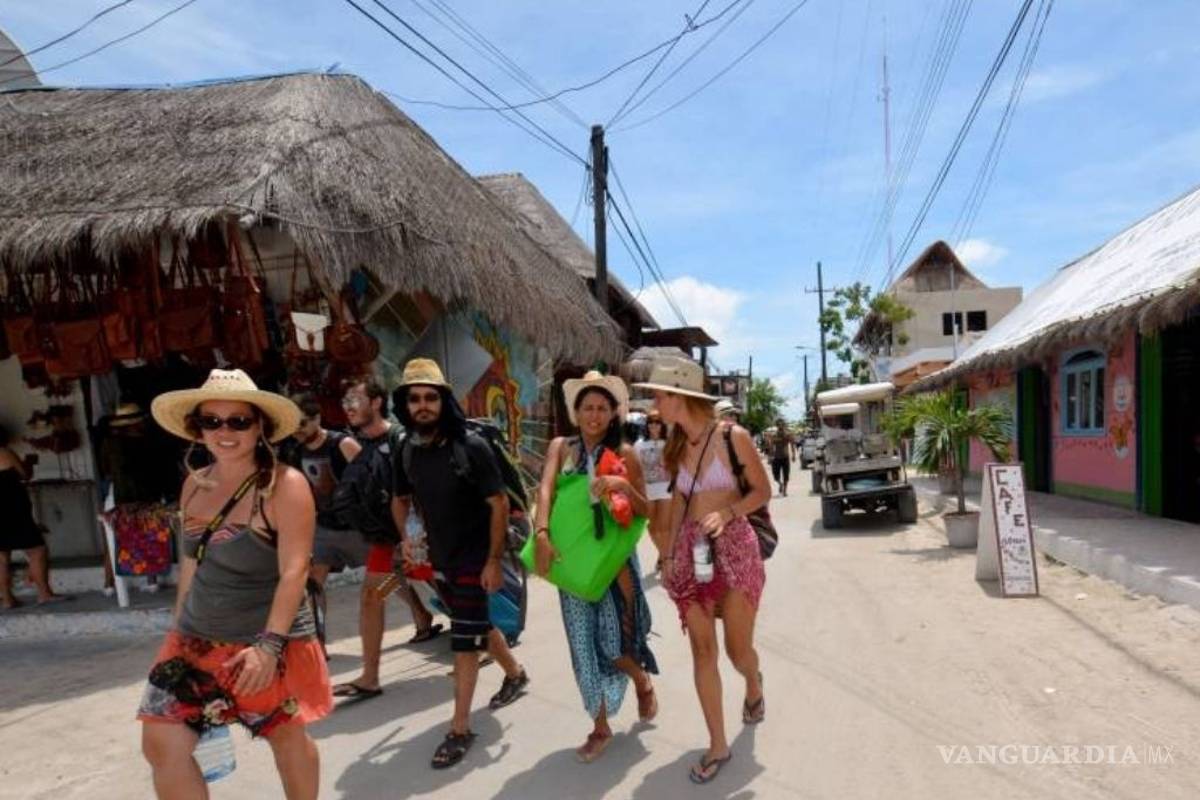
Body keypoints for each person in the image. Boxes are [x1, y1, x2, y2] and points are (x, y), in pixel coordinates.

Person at [139, 369, 331, 800]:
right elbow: (192, 563)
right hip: (195, 638)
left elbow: (295, 572)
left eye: (239, 421)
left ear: (260, 425)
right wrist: (176, 630)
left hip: (264, 640)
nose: (225, 432)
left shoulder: (285, 485)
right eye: (212, 421)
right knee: (161, 745)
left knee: (285, 737)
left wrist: (269, 647)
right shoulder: (195, 482)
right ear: (197, 428)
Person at [634, 356, 770, 785]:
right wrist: (669, 551)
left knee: (736, 652)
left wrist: (729, 512)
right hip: (692, 554)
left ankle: (753, 683)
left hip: (735, 550)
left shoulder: (734, 437)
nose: (654, 404)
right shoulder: (674, 446)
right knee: (702, 651)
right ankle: (717, 743)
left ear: (680, 397)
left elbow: (762, 491)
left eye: (659, 394)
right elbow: (677, 503)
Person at [390, 359, 529, 769]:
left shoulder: (471, 446)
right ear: (405, 404)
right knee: (478, 626)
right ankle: (516, 673)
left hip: (474, 556)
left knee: (464, 642)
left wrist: (492, 560)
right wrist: (407, 538)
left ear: (444, 401)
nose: (422, 406)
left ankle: (460, 728)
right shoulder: (406, 449)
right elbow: (399, 499)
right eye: (414, 399)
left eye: (431, 397)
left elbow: (499, 502)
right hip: (438, 560)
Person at [532, 370, 659, 763]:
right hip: (570, 560)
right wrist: (540, 532)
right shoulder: (560, 447)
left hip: (612, 564)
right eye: (587, 407)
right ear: (575, 410)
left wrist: (620, 486)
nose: (594, 415)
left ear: (613, 412)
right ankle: (600, 726)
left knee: (613, 643)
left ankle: (640, 679)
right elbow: (547, 489)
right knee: (582, 647)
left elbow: (646, 510)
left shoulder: (624, 453)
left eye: (602, 408)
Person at [333, 377, 440, 701]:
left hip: (419, 534)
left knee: (449, 588)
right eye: (346, 402)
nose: (349, 407)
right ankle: (370, 677)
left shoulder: (402, 439)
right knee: (372, 594)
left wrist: (414, 535)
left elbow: (423, 489)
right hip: (386, 538)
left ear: (377, 403)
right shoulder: (361, 444)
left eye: (356, 400)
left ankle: (497, 651)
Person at [284, 394, 364, 587]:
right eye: (293, 425)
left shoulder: (342, 444)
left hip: (357, 528)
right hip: (324, 528)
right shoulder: (296, 452)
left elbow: (370, 482)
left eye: (302, 423)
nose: (297, 430)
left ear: (317, 418)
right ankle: (317, 618)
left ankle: (420, 609)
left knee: (389, 580)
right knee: (314, 581)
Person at [0, 425, 67, 608]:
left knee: (2, 556)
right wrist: (28, 463)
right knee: (37, 550)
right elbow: (24, 475)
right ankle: (44, 593)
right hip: (13, 509)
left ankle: (7, 599)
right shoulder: (4, 452)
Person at [634, 408, 671, 574]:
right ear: (647, 425)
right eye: (651, 422)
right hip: (647, 490)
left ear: (662, 425)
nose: (654, 426)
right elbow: (635, 468)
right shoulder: (639, 445)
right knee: (652, 528)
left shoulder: (669, 443)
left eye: (657, 422)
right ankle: (664, 555)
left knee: (663, 528)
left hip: (666, 490)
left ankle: (663, 558)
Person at [768, 418, 794, 496]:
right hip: (776, 457)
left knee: (786, 474)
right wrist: (770, 457)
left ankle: (785, 490)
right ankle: (780, 484)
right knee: (775, 475)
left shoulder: (788, 434)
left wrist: (793, 454)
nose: (780, 426)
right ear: (777, 426)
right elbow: (771, 446)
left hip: (785, 456)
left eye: (782, 424)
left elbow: (792, 444)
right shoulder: (773, 435)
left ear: (784, 425)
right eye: (779, 424)